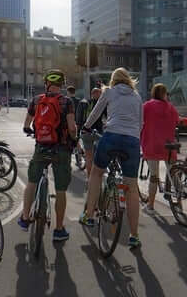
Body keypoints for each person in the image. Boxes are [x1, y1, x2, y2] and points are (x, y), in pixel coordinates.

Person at [80, 68, 143, 249]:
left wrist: (85, 127)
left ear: (114, 80)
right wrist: (133, 138)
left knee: (97, 173)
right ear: (128, 80)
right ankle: (134, 235)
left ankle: (89, 215)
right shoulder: (137, 97)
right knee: (131, 188)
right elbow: (140, 123)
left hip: (111, 136)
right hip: (132, 141)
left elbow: (96, 113)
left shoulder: (109, 92)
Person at [18, 69, 77, 242]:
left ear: (47, 83)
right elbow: (72, 128)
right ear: (62, 84)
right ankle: (59, 229)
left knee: (32, 182)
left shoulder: (36, 100)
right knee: (60, 189)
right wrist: (74, 139)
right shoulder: (67, 102)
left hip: (41, 147)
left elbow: (27, 124)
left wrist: (29, 130)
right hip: (61, 149)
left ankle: (24, 218)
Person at [140, 83, 179, 214]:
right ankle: (179, 203)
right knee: (173, 173)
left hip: (152, 144)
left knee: (154, 176)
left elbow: (140, 122)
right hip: (168, 145)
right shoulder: (171, 108)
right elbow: (176, 121)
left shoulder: (147, 106)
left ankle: (150, 206)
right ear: (164, 94)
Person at [76, 86, 106, 176]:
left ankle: (90, 179)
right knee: (99, 155)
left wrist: (78, 133)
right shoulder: (102, 104)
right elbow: (108, 117)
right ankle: (98, 177)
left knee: (89, 157)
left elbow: (78, 119)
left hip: (86, 132)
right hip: (98, 132)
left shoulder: (83, 103)